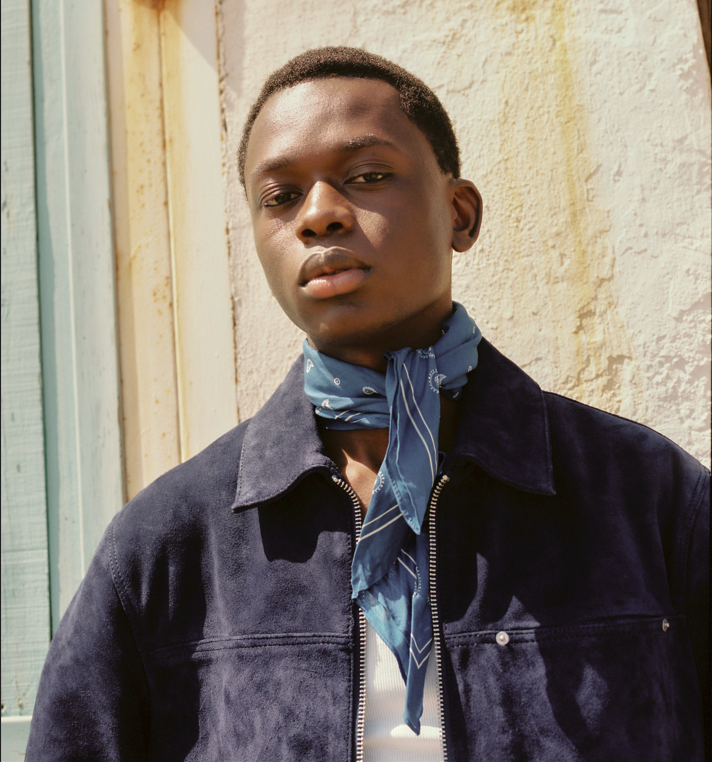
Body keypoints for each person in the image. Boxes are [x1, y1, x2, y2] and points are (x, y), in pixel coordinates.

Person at [27, 47, 709, 762]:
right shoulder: (167, 543)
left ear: (460, 214)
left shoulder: (649, 498)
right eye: (281, 196)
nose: (319, 215)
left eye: (368, 177)